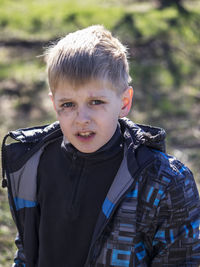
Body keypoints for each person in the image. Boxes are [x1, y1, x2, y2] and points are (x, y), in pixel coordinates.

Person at [2, 25, 200, 267]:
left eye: (96, 102)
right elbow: (28, 250)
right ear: (54, 105)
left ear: (124, 102)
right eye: (68, 104)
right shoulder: (34, 164)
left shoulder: (163, 182)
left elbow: (182, 260)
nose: (81, 118)